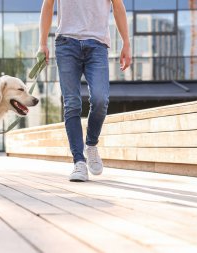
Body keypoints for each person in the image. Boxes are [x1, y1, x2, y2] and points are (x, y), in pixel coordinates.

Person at [38, 0, 131, 182]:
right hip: (66, 43)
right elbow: (47, 5)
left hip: (97, 44)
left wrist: (126, 42)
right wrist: (42, 43)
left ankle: (91, 144)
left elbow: (118, 7)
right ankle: (78, 162)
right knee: (71, 103)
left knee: (100, 99)